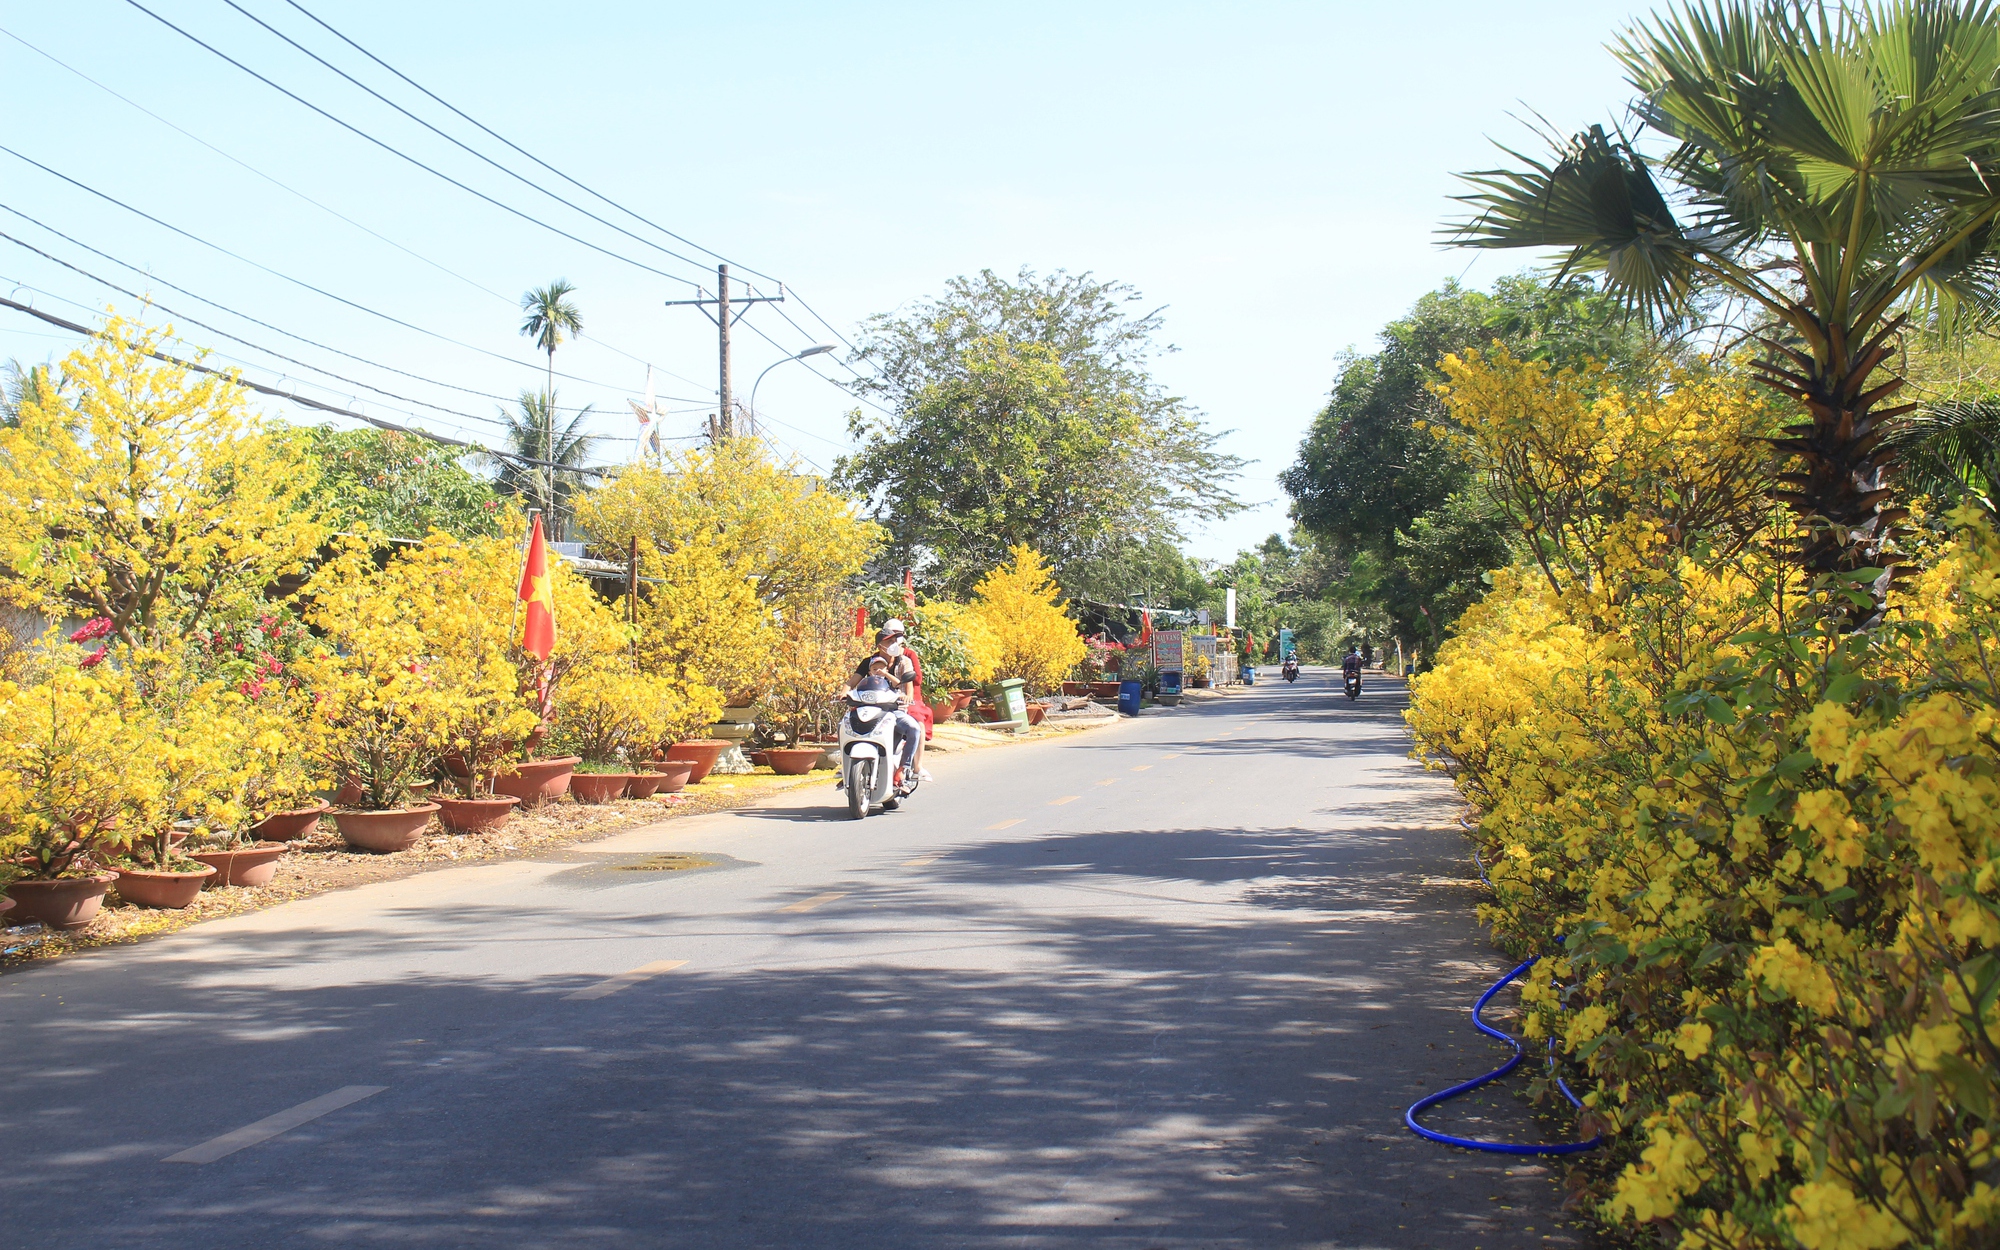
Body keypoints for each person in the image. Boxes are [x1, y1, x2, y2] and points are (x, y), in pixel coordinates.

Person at [846, 621, 932, 784]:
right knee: (846, 724)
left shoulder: (904, 660)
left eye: (895, 640)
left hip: (894, 708)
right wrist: (844, 693)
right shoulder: (869, 662)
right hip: (870, 707)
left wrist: (907, 696)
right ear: (880, 645)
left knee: (914, 728)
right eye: (889, 641)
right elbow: (852, 682)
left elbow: (909, 684)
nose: (894, 644)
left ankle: (903, 768)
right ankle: (846, 766)